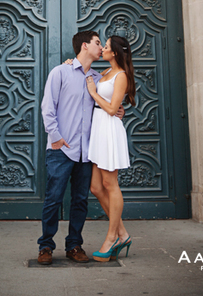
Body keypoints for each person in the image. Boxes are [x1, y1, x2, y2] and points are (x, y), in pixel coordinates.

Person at [37, 31, 104, 265]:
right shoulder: (60, 72)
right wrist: (55, 136)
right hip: (61, 149)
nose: (102, 47)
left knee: (80, 201)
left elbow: (109, 105)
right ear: (85, 46)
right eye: (98, 43)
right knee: (53, 199)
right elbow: (48, 107)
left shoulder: (98, 78)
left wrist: (120, 110)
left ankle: (74, 245)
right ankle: (45, 245)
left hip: (86, 152)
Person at [86, 35, 136, 261]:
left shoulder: (121, 75)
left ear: (114, 52)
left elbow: (113, 107)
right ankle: (123, 233)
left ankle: (111, 237)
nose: (103, 50)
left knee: (110, 183)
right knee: (96, 187)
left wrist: (94, 93)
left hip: (108, 129)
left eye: (105, 47)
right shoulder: (105, 72)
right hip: (99, 129)